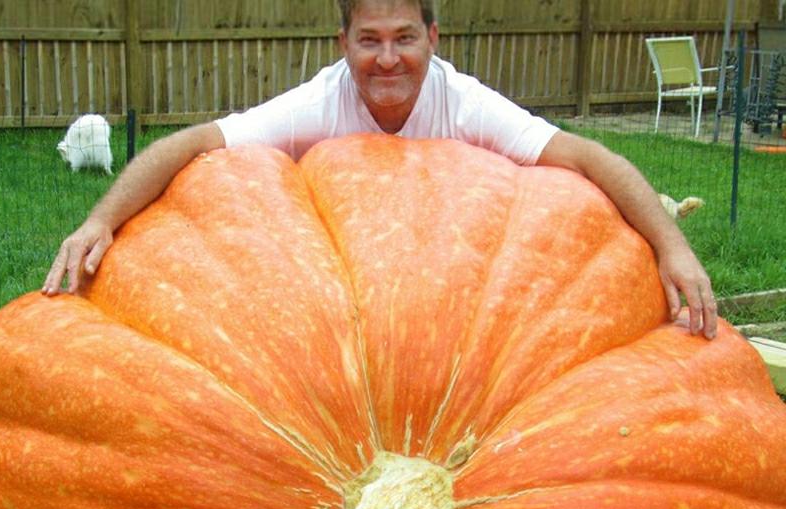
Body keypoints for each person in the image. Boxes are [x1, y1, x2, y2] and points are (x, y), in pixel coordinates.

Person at [42, 0, 717, 339]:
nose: (386, 58)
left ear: (434, 40)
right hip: (338, 313)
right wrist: (99, 220)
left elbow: (587, 156)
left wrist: (672, 246)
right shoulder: (319, 103)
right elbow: (192, 143)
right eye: (368, 40)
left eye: (404, 38)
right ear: (344, 45)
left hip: (447, 304)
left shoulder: (464, 102)